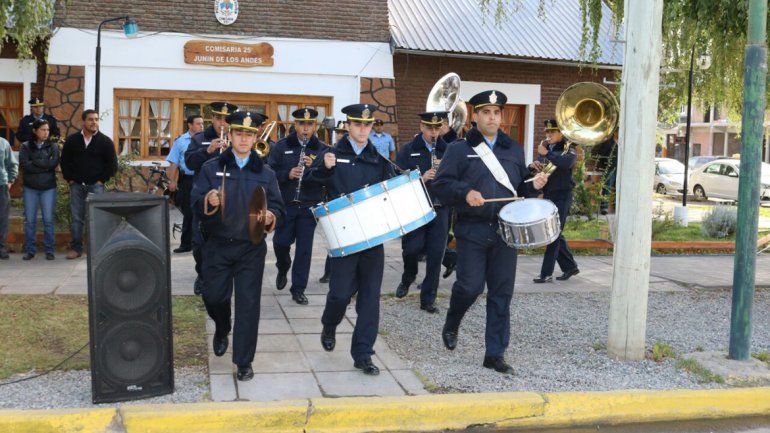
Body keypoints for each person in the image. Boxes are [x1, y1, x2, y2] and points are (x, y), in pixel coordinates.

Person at [432, 90, 548, 375]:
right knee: (469, 287)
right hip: (472, 229)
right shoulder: (459, 149)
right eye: (486, 112)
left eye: (497, 113)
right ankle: (453, 319)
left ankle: (494, 354)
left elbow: (517, 189)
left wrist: (534, 185)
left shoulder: (513, 148)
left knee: (501, 294)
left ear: (502, 116)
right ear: (475, 116)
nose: (492, 117)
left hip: (506, 232)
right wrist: (465, 191)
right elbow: (441, 186)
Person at [191, 110, 285, 382]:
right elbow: (195, 202)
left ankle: (244, 360)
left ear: (255, 137)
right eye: (239, 133)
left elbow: (278, 205)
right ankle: (222, 327)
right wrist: (208, 199)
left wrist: (271, 216)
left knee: (248, 304)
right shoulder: (211, 168)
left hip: (250, 248)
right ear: (229, 135)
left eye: (249, 134)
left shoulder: (265, 173)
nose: (244, 139)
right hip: (218, 245)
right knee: (214, 297)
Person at [305, 103, 395, 375]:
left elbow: (388, 193)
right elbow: (310, 182)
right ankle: (330, 323)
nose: (363, 129)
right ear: (348, 126)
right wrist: (325, 169)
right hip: (344, 238)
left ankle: (363, 354)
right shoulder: (331, 154)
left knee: (370, 298)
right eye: (357, 124)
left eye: (367, 125)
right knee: (340, 294)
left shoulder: (378, 160)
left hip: (371, 237)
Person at [268, 108, 327, 304]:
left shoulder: (322, 150)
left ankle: (298, 289)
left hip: (309, 206)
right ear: (295, 125)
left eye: (309, 125)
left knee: (304, 250)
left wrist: (314, 168)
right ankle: (283, 266)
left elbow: (326, 178)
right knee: (280, 242)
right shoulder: (281, 146)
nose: (305, 128)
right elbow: (269, 172)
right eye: (302, 124)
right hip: (286, 205)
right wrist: (287, 174)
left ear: (314, 126)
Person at [394, 111, 450, 314]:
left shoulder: (449, 151)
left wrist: (444, 173)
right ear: (421, 127)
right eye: (429, 128)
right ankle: (408, 276)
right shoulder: (408, 150)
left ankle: (428, 298)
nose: (433, 132)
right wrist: (422, 178)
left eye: (437, 128)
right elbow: (397, 180)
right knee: (411, 249)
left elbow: (459, 178)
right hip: (415, 208)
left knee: (436, 255)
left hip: (441, 208)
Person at [184, 102, 238, 295]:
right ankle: (202, 274)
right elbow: (189, 163)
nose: (222, 123)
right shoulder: (200, 138)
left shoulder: (237, 138)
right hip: (204, 198)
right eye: (219, 119)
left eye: (226, 120)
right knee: (199, 243)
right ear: (213, 119)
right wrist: (206, 151)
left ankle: (222, 273)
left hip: (230, 198)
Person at [60, 109, 117, 259]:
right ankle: (76, 248)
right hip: (77, 185)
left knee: (96, 217)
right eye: (91, 119)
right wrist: (70, 179)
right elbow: (64, 162)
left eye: (96, 119)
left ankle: (95, 250)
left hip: (96, 186)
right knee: (76, 218)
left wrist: (100, 181)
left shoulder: (105, 142)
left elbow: (112, 165)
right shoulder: (72, 141)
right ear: (83, 122)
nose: (94, 122)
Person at [530, 120, 579, 283]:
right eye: (547, 132)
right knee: (554, 232)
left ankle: (546, 273)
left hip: (563, 195)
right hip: (549, 194)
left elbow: (566, 163)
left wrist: (546, 154)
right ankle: (570, 266)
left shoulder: (568, 148)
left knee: (553, 233)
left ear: (561, 133)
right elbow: (544, 171)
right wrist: (534, 166)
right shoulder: (547, 147)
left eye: (552, 132)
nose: (548, 135)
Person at [19, 119, 60, 260]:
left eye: (47, 130)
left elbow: (53, 163)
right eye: (43, 130)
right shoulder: (25, 146)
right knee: (30, 221)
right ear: (35, 131)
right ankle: (30, 250)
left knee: (48, 220)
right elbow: (25, 165)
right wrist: (44, 164)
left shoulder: (53, 146)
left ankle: (49, 250)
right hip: (30, 187)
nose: (46, 133)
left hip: (48, 187)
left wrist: (35, 162)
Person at [166, 115, 204, 254]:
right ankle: (186, 244)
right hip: (187, 180)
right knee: (188, 212)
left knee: (203, 212)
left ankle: (201, 242)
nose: (201, 126)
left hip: (204, 179)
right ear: (190, 125)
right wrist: (172, 181)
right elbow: (173, 162)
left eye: (202, 123)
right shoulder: (180, 141)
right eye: (198, 123)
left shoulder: (206, 140)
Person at [318, 120, 348, 285]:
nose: (340, 135)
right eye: (338, 132)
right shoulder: (329, 151)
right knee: (333, 239)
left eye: (343, 133)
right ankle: (328, 272)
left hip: (348, 201)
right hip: (332, 200)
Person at [0, 135, 18, 260]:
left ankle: (0, 248)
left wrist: (10, 180)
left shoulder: (3, 143)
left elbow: (12, 164)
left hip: (1, 186)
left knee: (2, 219)